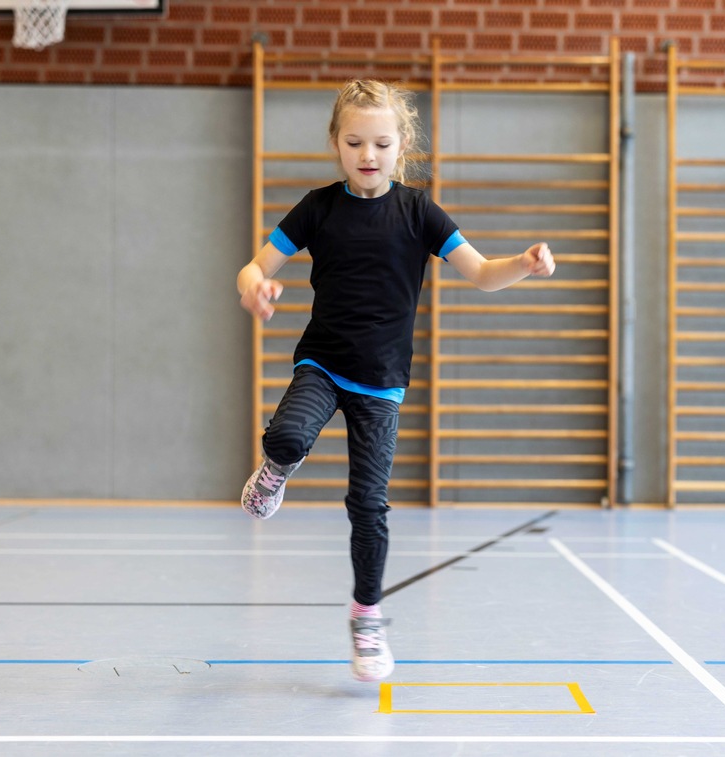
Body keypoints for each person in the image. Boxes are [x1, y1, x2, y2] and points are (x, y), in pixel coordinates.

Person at [236, 79, 555, 683]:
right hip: (324, 365)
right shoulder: (317, 207)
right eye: (354, 141)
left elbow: (483, 273)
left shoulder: (418, 212)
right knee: (286, 438)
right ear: (335, 142)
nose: (368, 154)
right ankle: (274, 473)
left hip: (382, 384)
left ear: (400, 145)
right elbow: (255, 264)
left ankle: (367, 615)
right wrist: (255, 286)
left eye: (381, 143)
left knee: (368, 505)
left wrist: (524, 263)